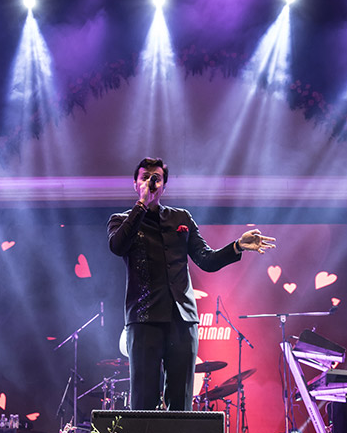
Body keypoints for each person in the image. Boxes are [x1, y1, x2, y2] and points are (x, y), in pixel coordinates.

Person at [108, 158, 276, 411]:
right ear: (135, 184)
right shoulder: (120, 220)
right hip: (144, 319)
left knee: (181, 398)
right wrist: (141, 204)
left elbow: (206, 259)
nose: (150, 182)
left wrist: (237, 246)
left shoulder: (181, 218)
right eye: (145, 178)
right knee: (143, 399)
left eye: (156, 178)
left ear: (164, 186)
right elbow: (117, 246)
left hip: (182, 319)